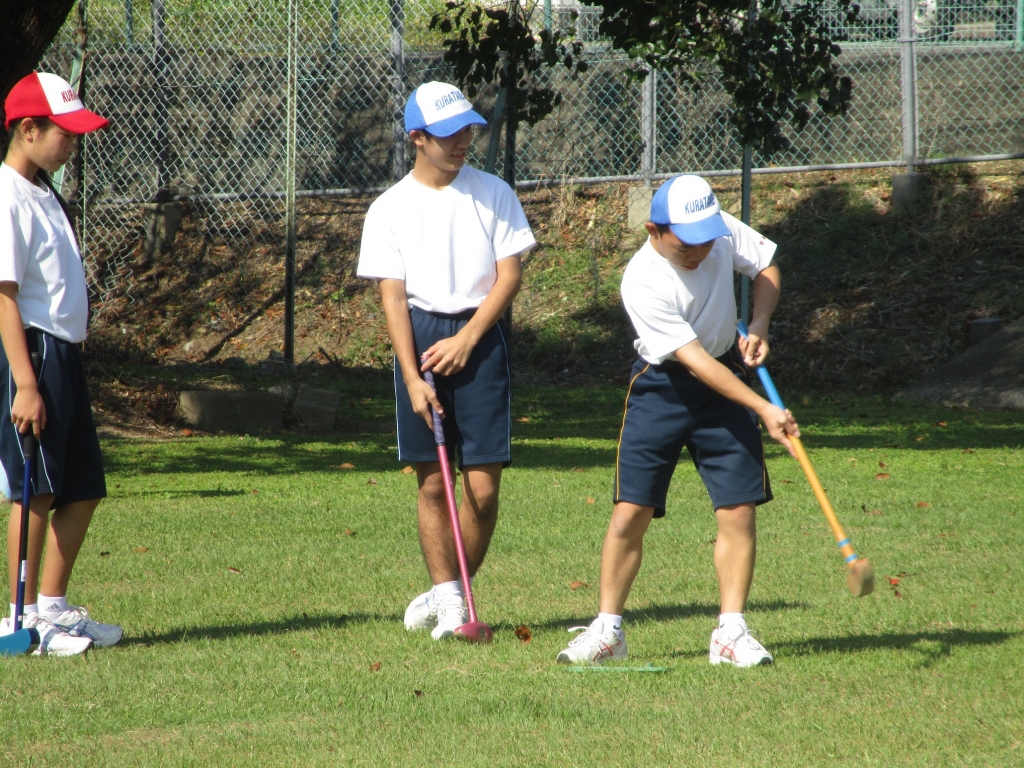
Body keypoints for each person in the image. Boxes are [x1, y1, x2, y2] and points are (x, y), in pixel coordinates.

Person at [556, 175, 799, 667]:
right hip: (662, 388)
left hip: (725, 376)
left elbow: (766, 264)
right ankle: (608, 631)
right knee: (631, 511)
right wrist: (764, 408)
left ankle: (731, 633)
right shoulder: (642, 279)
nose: (701, 252)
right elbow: (696, 363)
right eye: (687, 245)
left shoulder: (714, 229)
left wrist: (759, 324)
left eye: (707, 241)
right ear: (654, 230)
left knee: (739, 508)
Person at [356, 81, 535, 639]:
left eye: (468, 131)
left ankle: (448, 589)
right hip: (420, 338)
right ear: (417, 137)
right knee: (433, 483)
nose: (463, 142)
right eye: (449, 134)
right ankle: (453, 601)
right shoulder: (388, 209)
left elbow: (510, 275)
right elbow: (392, 297)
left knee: (483, 486)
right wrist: (412, 378)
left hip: (480, 338)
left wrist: (469, 339)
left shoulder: (494, 193)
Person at [0, 72, 122, 655]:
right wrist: (25, 384)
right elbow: (4, 296)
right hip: (35, 353)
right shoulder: (5, 196)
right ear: (28, 129)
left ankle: (52, 606)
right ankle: (21, 621)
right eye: (65, 134)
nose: (74, 144)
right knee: (38, 490)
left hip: (63, 354)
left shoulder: (42, 190)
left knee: (82, 487)